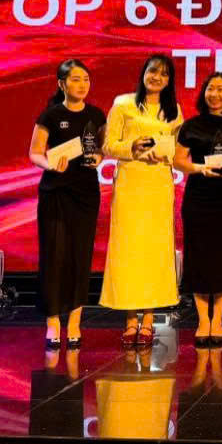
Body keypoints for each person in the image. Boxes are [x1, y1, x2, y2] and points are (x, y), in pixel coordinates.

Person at [100, 54, 183, 347]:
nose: (157, 77)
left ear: (169, 81)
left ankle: (148, 319)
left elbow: (179, 151)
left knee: (154, 251)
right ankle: (130, 319)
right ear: (143, 73)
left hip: (158, 184)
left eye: (164, 74)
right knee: (129, 250)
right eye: (153, 71)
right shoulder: (123, 104)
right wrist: (132, 146)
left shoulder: (174, 111)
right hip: (130, 183)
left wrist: (167, 153)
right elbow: (108, 145)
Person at [27, 58, 105, 349]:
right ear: (61, 84)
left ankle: (74, 321)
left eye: (86, 79)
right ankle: (52, 321)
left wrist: (98, 158)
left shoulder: (97, 114)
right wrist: (48, 164)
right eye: (75, 79)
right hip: (56, 193)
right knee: (54, 255)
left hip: (85, 193)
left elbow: (102, 148)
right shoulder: (51, 114)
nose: (82, 85)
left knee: (80, 256)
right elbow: (35, 152)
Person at [173, 71, 222, 345]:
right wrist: (199, 168)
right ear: (204, 93)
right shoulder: (191, 125)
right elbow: (178, 160)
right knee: (199, 257)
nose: (214, 94)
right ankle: (203, 320)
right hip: (198, 198)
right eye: (210, 89)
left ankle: (218, 320)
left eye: (220, 89)